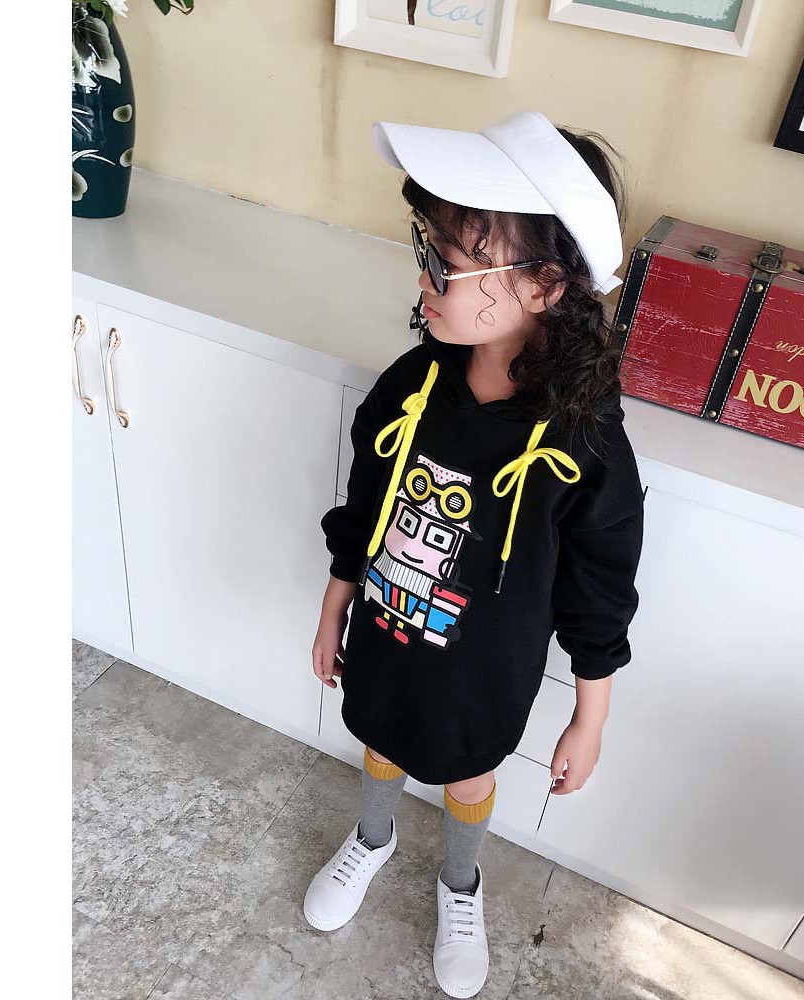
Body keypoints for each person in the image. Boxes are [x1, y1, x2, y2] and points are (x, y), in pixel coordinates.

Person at [305, 110, 645, 999]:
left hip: (485, 670)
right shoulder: (410, 386)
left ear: (544, 286)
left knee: (467, 766)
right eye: (425, 247)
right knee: (380, 737)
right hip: (387, 632)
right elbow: (366, 506)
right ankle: (372, 838)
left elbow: (599, 588)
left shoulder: (585, 443)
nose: (424, 278)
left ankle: (461, 884)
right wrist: (335, 607)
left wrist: (591, 718)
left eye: (448, 264)